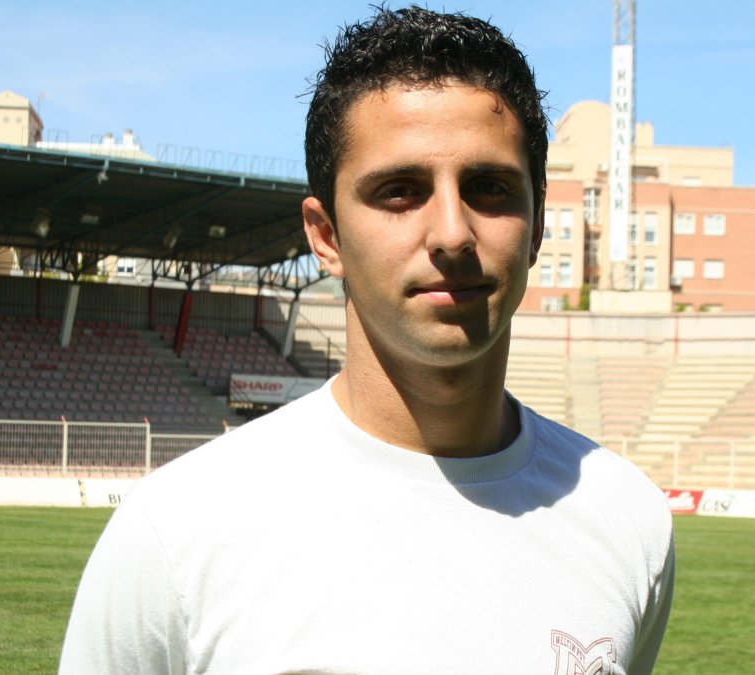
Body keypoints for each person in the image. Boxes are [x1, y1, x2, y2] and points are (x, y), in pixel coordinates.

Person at [60, 6, 674, 674]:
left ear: (537, 225)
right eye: (399, 191)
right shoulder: (176, 532)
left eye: (490, 188)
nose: (451, 233)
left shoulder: (625, 517)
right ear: (326, 237)